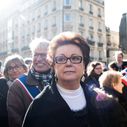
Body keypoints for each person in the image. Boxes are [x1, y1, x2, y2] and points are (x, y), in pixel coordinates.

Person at [22, 32, 127, 127]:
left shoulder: (101, 99)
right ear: (53, 65)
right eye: (61, 59)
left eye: (75, 58)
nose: (68, 63)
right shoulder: (39, 106)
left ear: (84, 64)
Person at [7, 38, 52, 127]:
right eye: (35, 55)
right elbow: (15, 122)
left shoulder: (61, 81)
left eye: (43, 55)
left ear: (51, 57)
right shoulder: (18, 86)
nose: (38, 59)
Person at [0, 54, 27, 127]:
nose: (14, 70)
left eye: (17, 67)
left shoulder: (32, 83)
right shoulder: (2, 84)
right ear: (6, 72)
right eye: (10, 68)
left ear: (24, 68)